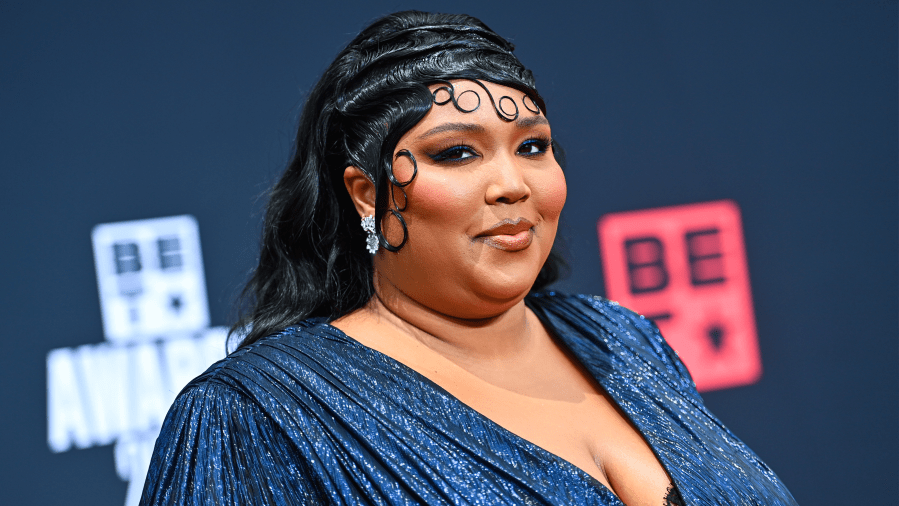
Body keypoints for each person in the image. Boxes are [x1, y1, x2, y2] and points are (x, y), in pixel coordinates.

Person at [140, 11, 798, 506]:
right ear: (366, 193)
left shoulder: (622, 339)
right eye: (456, 152)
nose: (512, 183)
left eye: (533, 147)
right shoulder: (255, 416)